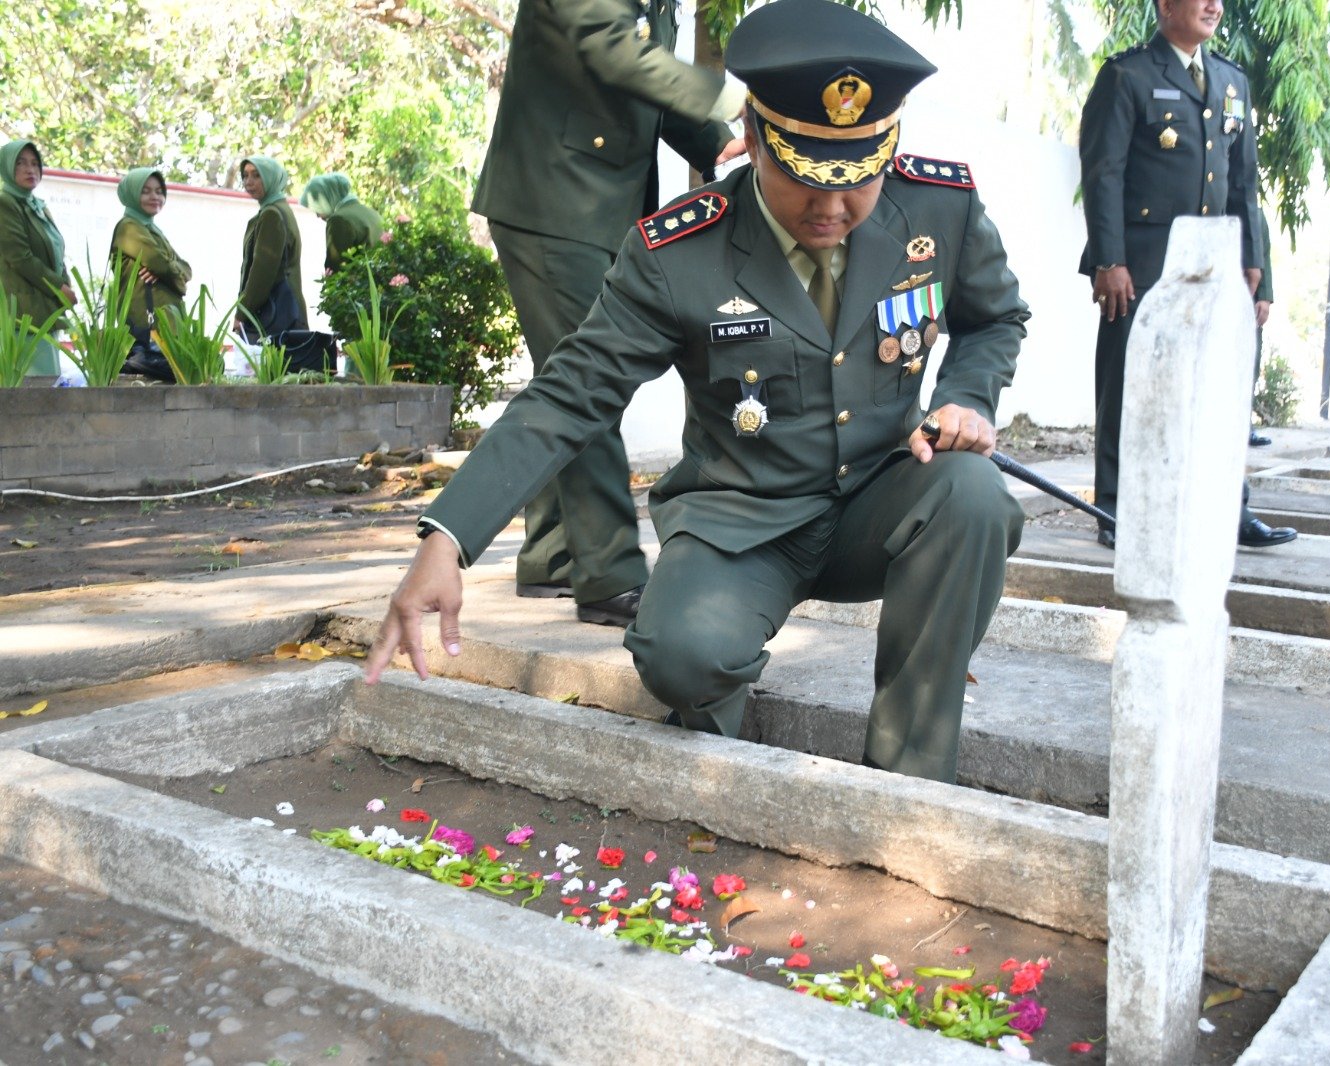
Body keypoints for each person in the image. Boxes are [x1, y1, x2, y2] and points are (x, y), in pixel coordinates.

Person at [365, 0, 1030, 785]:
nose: (831, 208)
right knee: (680, 654)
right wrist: (447, 539)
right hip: (744, 521)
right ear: (751, 137)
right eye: (804, 177)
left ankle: (910, 781)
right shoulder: (677, 251)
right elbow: (569, 395)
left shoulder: (938, 207)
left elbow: (995, 319)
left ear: (889, 149)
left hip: (881, 504)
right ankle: (725, 772)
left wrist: (967, 398)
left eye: (857, 179)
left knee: (975, 494)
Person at [474, 0, 747, 627]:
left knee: (566, 378)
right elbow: (615, 49)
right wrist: (732, 99)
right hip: (552, 200)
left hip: (596, 205)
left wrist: (729, 142)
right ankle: (611, 574)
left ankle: (554, 554)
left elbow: (652, 90)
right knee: (589, 382)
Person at [1077, 0, 1295, 550]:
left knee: (1216, 392)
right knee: (1127, 388)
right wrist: (1109, 261)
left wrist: (1258, 272)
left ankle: (1230, 509)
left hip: (1214, 267)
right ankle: (1116, 510)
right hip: (1143, 267)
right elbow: (1104, 174)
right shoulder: (1127, 75)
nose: (1213, 6)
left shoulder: (1230, 80)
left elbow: (1246, 183)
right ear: (1165, 6)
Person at [0, 139, 75, 378]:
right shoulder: (5, 203)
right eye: (20, 163)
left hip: (44, 310)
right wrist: (58, 287)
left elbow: (56, 250)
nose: (29, 169)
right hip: (23, 315)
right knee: (34, 391)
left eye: (34, 163)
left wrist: (66, 285)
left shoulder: (38, 206)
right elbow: (20, 257)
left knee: (48, 387)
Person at [111, 167, 192, 380]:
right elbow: (161, 264)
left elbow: (186, 268)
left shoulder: (152, 229)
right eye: (145, 191)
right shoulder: (128, 227)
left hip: (164, 323)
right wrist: (174, 276)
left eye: (159, 191)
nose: (154, 197)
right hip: (145, 326)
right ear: (132, 194)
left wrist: (169, 271)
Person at [235, 155, 307, 341]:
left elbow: (262, 272)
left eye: (256, 175)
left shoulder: (271, 214)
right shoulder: (280, 209)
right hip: (284, 313)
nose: (248, 182)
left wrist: (242, 313)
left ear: (271, 178)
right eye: (245, 175)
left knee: (269, 369)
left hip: (275, 316)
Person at [300, 173, 382, 272]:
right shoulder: (372, 213)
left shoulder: (338, 220)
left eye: (317, 209)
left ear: (326, 200)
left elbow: (336, 267)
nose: (318, 216)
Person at [1249, 210, 1272, 447]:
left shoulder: (1255, 213)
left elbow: (1264, 255)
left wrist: (1264, 296)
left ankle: (1243, 425)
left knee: (1249, 365)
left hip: (1248, 297)